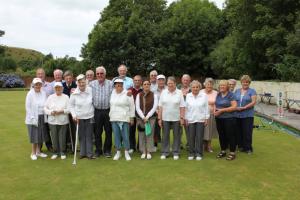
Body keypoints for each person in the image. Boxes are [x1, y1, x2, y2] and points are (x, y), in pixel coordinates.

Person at [158, 76, 185, 160]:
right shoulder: (163, 92)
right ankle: (165, 152)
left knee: (177, 136)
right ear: (167, 84)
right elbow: (160, 106)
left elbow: (182, 106)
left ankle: (175, 152)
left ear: (175, 84)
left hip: (176, 118)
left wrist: (181, 118)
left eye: (171, 83)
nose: (170, 85)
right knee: (165, 136)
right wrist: (159, 118)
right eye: (168, 83)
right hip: (165, 118)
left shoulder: (179, 92)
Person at [69, 74, 96, 159]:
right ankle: (82, 153)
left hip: (90, 116)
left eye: (83, 82)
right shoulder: (74, 93)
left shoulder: (91, 90)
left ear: (86, 82)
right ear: (77, 83)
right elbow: (71, 106)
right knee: (81, 135)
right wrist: (74, 115)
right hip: (79, 118)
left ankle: (89, 154)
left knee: (89, 135)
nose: (81, 84)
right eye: (80, 82)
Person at [89, 66, 113, 158]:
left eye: (101, 73)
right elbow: (83, 90)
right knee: (97, 132)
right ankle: (98, 151)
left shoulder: (111, 84)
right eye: (98, 73)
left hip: (108, 111)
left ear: (105, 74)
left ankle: (107, 150)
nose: (99, 75)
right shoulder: (91, 84)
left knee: (108, 131)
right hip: (97, 111)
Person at [109, 79, 135, 161]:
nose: (118, 86)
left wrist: (131, 118)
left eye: (120, 85)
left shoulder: (128, 93)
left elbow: (132, 106)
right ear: (115, 85)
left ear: (123, 85)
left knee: (125, 136)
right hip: (114, 118)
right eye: (117, 85)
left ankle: (126, 152)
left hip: (124, 118)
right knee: (116, 136)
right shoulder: (112, 93)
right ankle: (118, 152)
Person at [44, 82, 70, 160]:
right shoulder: (50, 97)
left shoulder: (66, 97)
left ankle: (62, 152)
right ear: (54, 89)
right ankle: (55, 152)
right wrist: (50, 112)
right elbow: (45, 108)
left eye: (59, 88)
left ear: (62, 88)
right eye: (56, 88)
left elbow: (69, 109)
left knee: (62, 137)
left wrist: (62, 111)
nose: (58, 89)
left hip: (63, 120)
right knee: (54, 137)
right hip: (52, 120)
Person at [185, 80, 209, 161]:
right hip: (190, 119)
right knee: (191, 137)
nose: (195, 88)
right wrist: (186, 118)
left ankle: (199, 153)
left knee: (199, 137)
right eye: (193, 87)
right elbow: (186, 108)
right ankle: (191, 153)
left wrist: (206, 118)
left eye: (197, 87)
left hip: (201, 119)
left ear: (199, 87)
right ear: (191, 88)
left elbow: (206, 107)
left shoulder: (204, 95)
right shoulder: (188, 96)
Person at [25, 78, 48, 160]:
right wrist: (32, 117)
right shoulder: (30, 94)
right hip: (33, 117)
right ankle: (33, 153)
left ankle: (38, 152)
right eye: (36, 84)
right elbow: (28, 107)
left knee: (40, 135)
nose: (38, 86)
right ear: (33, 85)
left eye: (39, 84)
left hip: (42, 116)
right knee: (34, 136)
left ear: (41, 85)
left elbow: (46, 105)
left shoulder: (43, 93)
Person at [215, 80, 237, 161]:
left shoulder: (231, 95)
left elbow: (234, 107)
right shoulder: (218, 94)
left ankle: (232, 153)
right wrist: (216, 111)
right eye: (220, 85)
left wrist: (221, 111)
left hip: (229, 118)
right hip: (219, 118)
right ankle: (223, 151)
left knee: (230, 135)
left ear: (227, 86)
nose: (222, 87)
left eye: (223, 85)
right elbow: (216, 104)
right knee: (221, 135)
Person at [136, 80, 158, 159]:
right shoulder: (139, 95)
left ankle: (148, 151)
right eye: (144, 84)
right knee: (141, 134)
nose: (146, 85)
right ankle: (143, 151)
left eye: (148, 84)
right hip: (140, 118)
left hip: (151, 118)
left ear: (150, 85)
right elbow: (137, 107)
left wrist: (147, 116)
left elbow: (154, 107)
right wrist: (143, 117)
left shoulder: (154, 95)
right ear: (142, 86)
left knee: (149, 134)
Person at [235, 75, 257, 154]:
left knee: (247, 132)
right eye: (244, 82)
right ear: (241, 82)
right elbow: (234, 101)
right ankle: (241, 147)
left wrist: (244, 107)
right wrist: (236, 107)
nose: (245, 83)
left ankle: (248, 148)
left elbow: (253, 102)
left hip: (248, 114)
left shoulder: (252, 91)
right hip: (237, 114)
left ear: (249, 83)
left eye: (247, 82)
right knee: (239, 132)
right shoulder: (237, 91)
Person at [35, 68, 53, 152]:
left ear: (44, 75)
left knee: (48, 129)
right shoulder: (34, 86)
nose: (40, 75)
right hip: (38, 113)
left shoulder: (49, 85)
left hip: (49, 111)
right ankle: (39, 147)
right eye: (39, 74)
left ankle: (49, 146)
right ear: (36, 75)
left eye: (42, 73)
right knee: (40, 130)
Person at [201, 78, 218, 153]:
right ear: (204, 85)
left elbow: (216, 103)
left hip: (211, 114)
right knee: (202, 131)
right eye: (208, 85)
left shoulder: (216, 93)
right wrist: (209, 102)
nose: (209, 86)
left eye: (211, 85)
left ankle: (209, 146)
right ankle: (202, 146)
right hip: (201, 114)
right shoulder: (200, 92)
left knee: (209, 131)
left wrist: (215, 111)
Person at [62, 70, 77, 153]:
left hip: (74, 111)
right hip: (65, 111)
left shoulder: (75, 85)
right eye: (67, 78)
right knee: (65, 129)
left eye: (70, 78)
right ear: (64, 78)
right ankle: (66, 146)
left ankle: (73, 146)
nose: (68, 79)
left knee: (73, 129)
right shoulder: (62, 85)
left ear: (72, 78)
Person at [128, 75, 143, 153]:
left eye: (138, 80)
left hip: (140, 114)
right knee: (131, 131)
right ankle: (132, 147)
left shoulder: (143, 91)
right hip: (132, 114)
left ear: (141, 82)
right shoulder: (129, 90)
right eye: (135, 80)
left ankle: (140, 147)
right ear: (133, 81)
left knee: (141, 131)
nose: (137, 82)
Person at [178, 74, 191, 149]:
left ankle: (189, 144)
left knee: (188, 130)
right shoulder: (178, 88)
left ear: (189, 81)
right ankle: (179, 144)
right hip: (179, 112)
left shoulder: (192, 89)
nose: (185, 81)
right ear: (182, 80)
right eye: (184, 80)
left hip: (188, 112)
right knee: (178, 130)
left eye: (187, 80)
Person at [153, 74, 166, 148]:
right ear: (157, 81)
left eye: (162, 80)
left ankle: (165, 144)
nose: (161, 81)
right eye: (159, 80)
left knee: (166, 130)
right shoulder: (153, 90)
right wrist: (157, 110)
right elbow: (153, 102)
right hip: (156, 112)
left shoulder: (168, 89)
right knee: (156, 130)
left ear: (165, 81)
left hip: (167, 112)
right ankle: (155, 144)